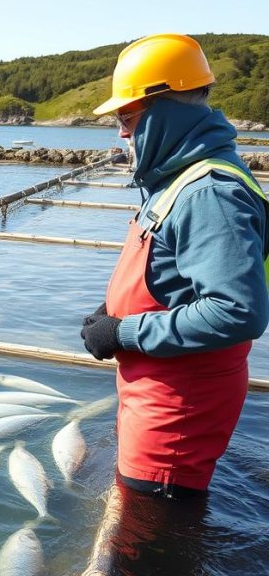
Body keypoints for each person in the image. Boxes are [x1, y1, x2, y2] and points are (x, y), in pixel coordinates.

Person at [80, 33, 269, 497]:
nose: (122, 132)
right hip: (157, 394)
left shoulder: (208, 192)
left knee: (151, 548)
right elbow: (174, 279)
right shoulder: (180, 178)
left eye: (127, 117)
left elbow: (236, 311)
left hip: (175, 414)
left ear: (164, 110)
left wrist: (122, 332)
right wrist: (112, 313)